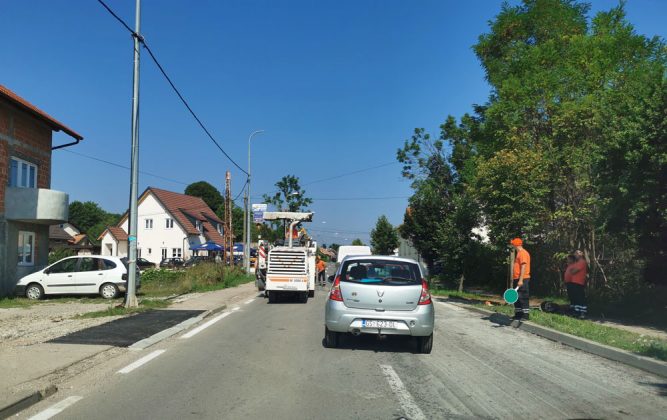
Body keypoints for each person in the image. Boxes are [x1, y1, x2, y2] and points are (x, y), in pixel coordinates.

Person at [511, 237, 531, 321]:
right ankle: (518, 314)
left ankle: (525, 315)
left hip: (523, 278)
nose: (512, 246)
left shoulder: (523, 253)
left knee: (523, 296)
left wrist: (520, 280)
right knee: (517, 297)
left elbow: (523, 266)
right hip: (517, 278)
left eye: (512, 244)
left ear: (515, 245)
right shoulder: (519, 253)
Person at [565, 250, 588, 319]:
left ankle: (582, 313)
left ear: (581, 254)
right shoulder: (576, 263)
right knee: (575, 299)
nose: (575, 254)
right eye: (575, 253)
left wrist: (571, 270)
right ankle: (576, 312)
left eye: (577, 253)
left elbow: (574, 271)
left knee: (580, 298)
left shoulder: (582, 262)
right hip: (573, 282)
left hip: (579, 282)